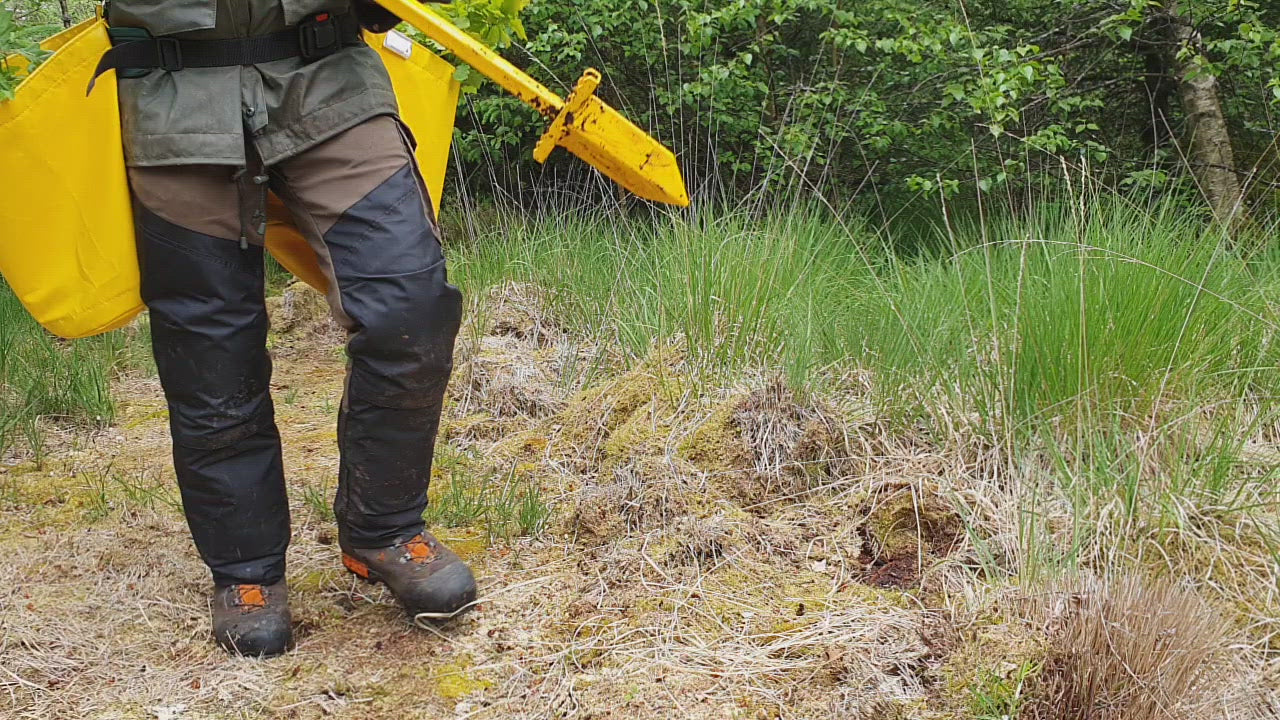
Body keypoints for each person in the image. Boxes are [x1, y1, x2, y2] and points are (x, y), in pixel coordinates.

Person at [96, 0, 476, 657]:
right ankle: (246, 570)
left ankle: (383, 528)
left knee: (411, 301)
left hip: (329, 71)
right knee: (209, 352)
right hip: (168, 93)